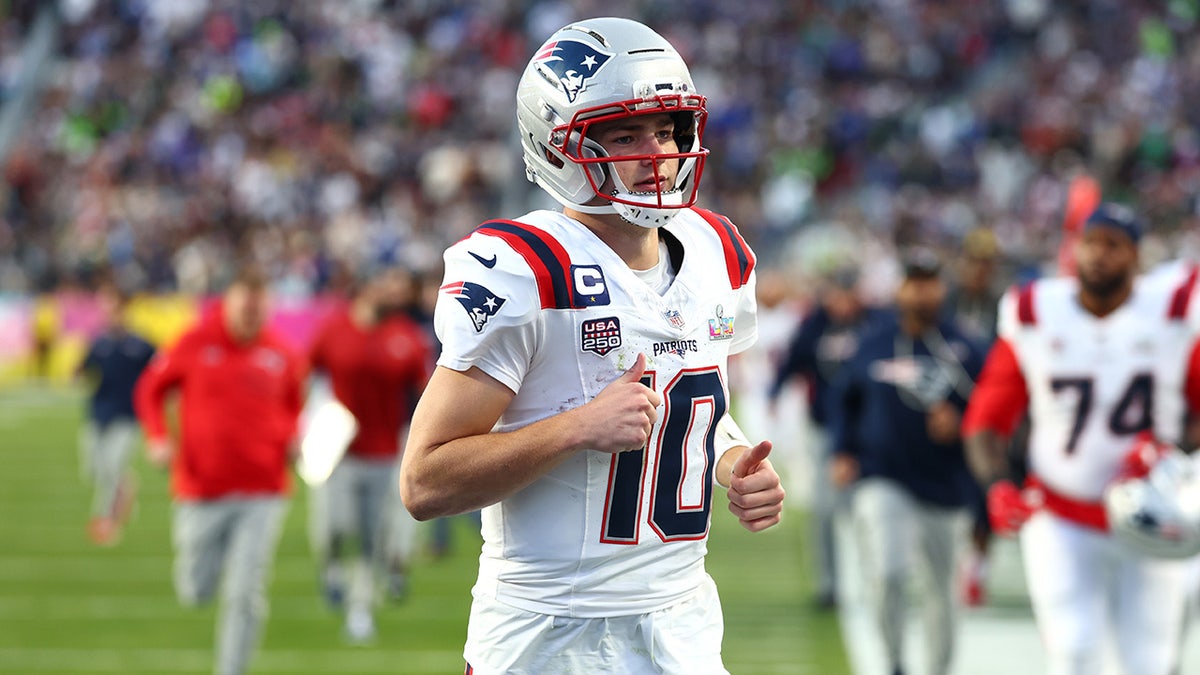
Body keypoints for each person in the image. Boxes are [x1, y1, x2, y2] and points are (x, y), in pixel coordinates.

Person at [399, 17, 785, 674]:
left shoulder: (714, 250)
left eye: (666, 130)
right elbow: (424, 480)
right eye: (625, 134)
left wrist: (730, 457)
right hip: (545, 639)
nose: (657, 152)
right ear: (557, 144)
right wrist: (576, 426)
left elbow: (689, 404)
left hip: (681, 633)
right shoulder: (524, 270)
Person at [962, 203, 1200, 675]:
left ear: (1136, 257)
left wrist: (1172, 455)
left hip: (1152, 512)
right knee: (1073, 652)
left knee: (1150, 662)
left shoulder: (1174, 312)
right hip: (1060, 511)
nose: (1098, 255)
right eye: (1090, 243)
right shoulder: (1035, 311)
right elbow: (985, 420)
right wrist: (997, 484)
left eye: (1113, 245)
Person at [134, 265, 304, 675]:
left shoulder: (282, 353)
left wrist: (296, 439)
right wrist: (158, 437)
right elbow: (150, 390)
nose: (250, 315)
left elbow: (295, 407)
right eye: (244, 306)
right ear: (226, 303)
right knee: (195, 589)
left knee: (246, 592)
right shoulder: (193, 342)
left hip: (263, 490)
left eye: (257, 308)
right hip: (200, 488)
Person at [829, 248, 987, 675]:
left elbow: (993, 410)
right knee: (889, 570)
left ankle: (938, 668)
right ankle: (895, 661)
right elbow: (845, 398)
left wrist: (963, 422)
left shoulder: (966, 347)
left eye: (929, 282)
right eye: (914, 282)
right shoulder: (874, 342)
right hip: (884, 474)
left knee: (942, 591)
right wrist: (842, 450)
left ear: (942, 287)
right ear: (901, 287)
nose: (921, 292)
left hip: (946, 483)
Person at [306, 266, 431, 642]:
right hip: (337, 450)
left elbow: (425, 393)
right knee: (332, 528)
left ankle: (360, 610)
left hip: (383, 451)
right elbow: (309, 372)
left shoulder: (406, 337)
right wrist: (309, 422)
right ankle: (329, 569)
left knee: (369, 536)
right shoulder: (334, 328)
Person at [768, 265, 888, 609]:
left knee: (870, 510)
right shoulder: (816, 324)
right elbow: (793, 360)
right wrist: (776, 391)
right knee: (824, 511)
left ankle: (874, 581)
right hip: (823, 429)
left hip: (869, 432)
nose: (843, 302)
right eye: (838, 293)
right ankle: (828, 585)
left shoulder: (877, 322)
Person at [940, 227, 1006, 606]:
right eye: (974, 261)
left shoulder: (1003, 305)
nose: (980, 270)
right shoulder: (946, 302)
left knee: (986, 488)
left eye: (986, 263)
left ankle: (978, 564)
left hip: (988, 412)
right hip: (950, 408)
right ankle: (953, 559)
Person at [75, 281, 155, 545]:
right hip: (99, 412)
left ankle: (106, 521)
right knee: (93, 469)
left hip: (128, 415)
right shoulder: (98, 342)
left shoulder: (140, 344)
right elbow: (84, 369)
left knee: (111, 466)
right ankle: (125, 485)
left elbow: (159, 371)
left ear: (124, 309)